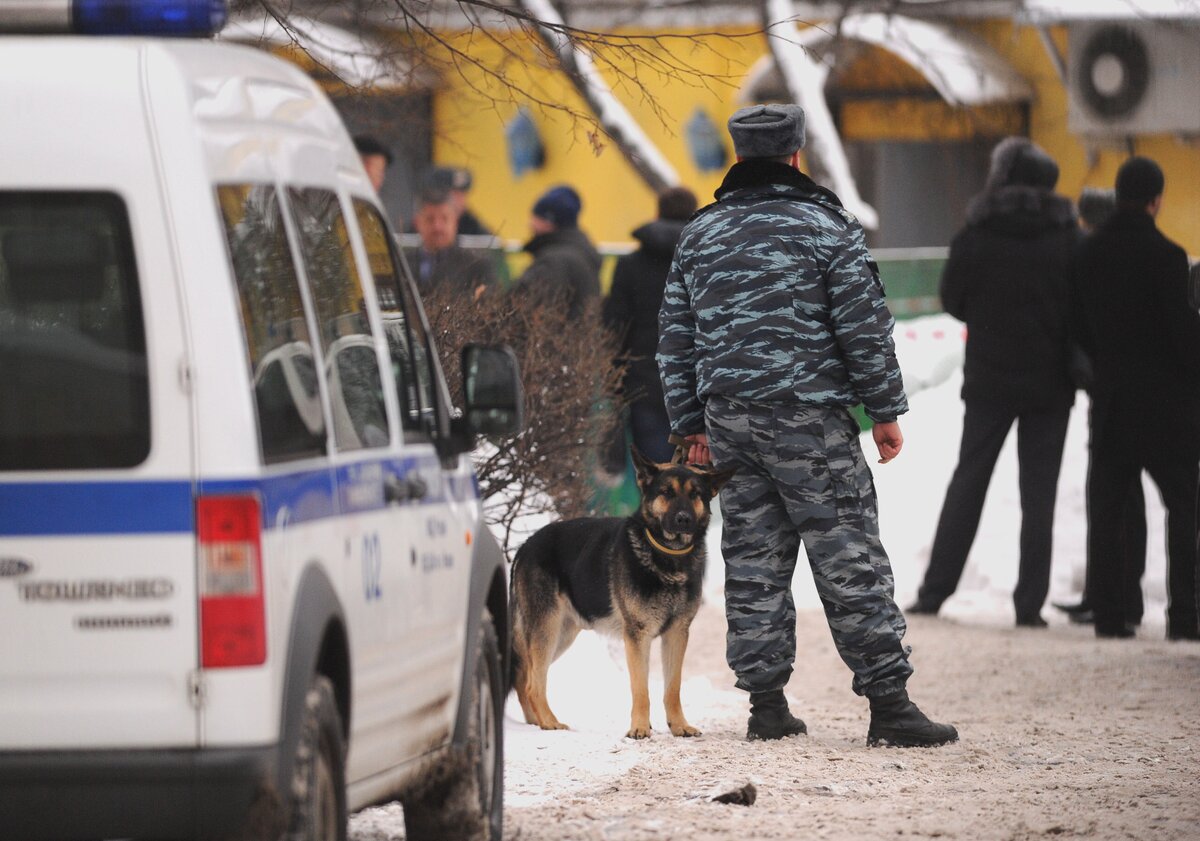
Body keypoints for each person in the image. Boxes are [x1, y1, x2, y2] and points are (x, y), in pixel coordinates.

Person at [657, 103, 957, 747]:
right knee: (847, 555)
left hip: (728, 423)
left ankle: (766, 705)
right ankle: (889, 705)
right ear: (796, 155)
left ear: (739, 156)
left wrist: (689, 425)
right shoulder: (827, 227)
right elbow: (864, 328)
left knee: (753, 559)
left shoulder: (699, 235)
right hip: (809, 422)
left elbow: (675, 341)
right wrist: (883, 411)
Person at [909, 137, 1079, 628]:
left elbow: (953, 298)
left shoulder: (978, 233)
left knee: (969, 481)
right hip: (1051, 383)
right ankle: (1029, 607)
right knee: (1039, 495)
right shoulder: (1067, 235)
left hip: (990, 379)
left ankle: (934, 592)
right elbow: (1078, 303)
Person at [1072, 156, 1200, 640]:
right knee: (1184, 510)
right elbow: (1183, 336)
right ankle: (1184, 616)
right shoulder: (1168, 257)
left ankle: (1110, 615)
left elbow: (1078, 326)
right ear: (1156, 200)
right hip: (1168, 409)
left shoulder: (1087, 256)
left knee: (1108, 512)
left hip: (1112, 405)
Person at [1054, 187, 1146, 628]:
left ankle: (1113, 597)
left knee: (1112, 496)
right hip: (1125, 387)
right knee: (1123, 497)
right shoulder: (1131, 254)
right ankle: (1115, 595)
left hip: (1109, 391)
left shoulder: (1091, 255)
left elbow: (1082, 324)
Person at [603, 186, 699, 463]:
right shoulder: (706, 261)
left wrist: (615, 381)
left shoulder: (630, 264)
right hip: (696, 384)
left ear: (657, 213)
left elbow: (614, 326)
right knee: (695, 477)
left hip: (644, 381)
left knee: (655, 473)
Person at [512, 185, 601, 322]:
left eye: (536, 216)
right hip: (574, 341)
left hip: (550, 341)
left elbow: (522, 309)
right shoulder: (581, 253)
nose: (530, 224)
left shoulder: (553, 262)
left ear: (549, 221)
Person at [402, 186, 497, 299]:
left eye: (445, 219)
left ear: (455, 221)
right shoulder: (402, 264)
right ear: (417, 223)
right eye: (430, 219)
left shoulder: (477, 265)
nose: (438, 227)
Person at [422, 166, 492, 237]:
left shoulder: (476, 228)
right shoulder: (423, 223)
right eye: (452, 195)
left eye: (461, 194)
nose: (457, 200)